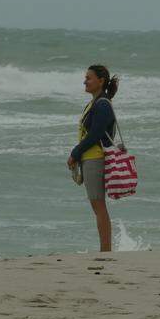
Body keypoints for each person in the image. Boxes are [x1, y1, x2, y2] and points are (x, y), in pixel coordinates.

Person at [67, 65, 119, 252]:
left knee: (98, 206)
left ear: (101, 81)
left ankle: (105, 251)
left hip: (96, 157)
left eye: (88, 78)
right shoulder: (95, 103)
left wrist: (75, 152)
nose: (85, 81)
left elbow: (95, 134)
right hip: (90, 158)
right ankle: (105, 249)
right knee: (97, 206)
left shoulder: (102, 104)